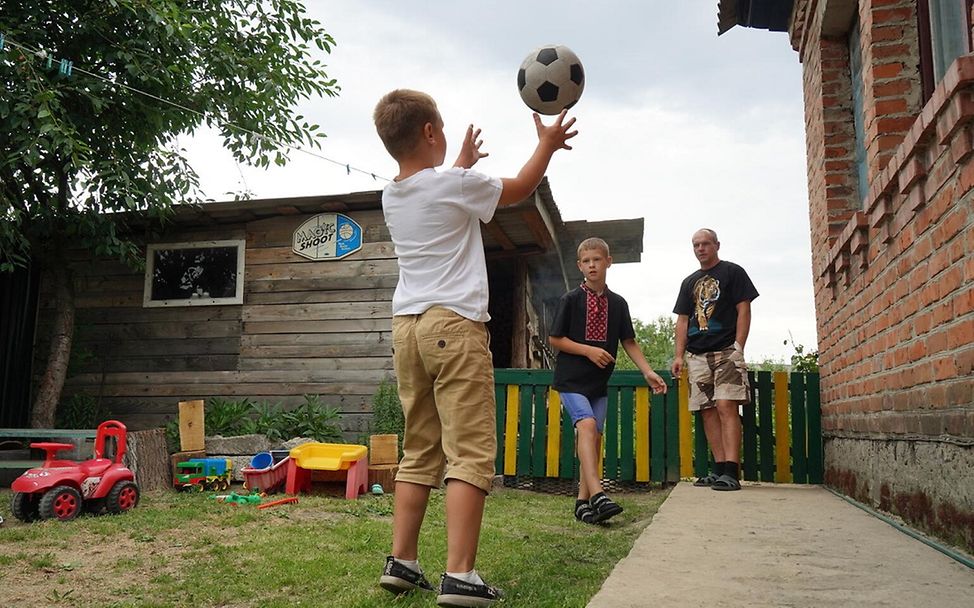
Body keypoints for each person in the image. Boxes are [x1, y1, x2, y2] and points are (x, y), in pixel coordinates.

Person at [372, 89, 577, 606]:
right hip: (453, 327)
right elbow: (522, 187)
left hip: (408, 328)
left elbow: (438, 193)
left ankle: (402, 561)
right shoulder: (455, 185)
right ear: (430, 133)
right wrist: (548, 144)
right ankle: (460, 575)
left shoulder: (392, 195)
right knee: (470, 452)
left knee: (419, 449)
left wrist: (458, 164)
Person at [549, 237, 668, 524]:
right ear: (580, 266)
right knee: (587, 426)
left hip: (598, 384)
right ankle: (598, 495)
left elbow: (628, 340)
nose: (592, 265)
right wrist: (588, 350)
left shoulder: (618, 303)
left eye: (597, 260)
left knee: (595, 438)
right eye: (586, 261)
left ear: (608, 262)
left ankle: (581, 502)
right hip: (570, 381)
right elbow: (555, 339)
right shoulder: (571, 299)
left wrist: (647, 371)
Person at [671, 228, 758, 492]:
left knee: (725, 406)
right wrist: (678, 355)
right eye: (696, 244)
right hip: (697, 354)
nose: (700, 248)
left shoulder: (733, 272)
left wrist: (739, 346)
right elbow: (683, 320)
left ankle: (731, 470)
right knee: (707, 411)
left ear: (716, 245)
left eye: (705, 243)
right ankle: (719, 469)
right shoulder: (688, 282)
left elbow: (744, 309)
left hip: (725, 350)